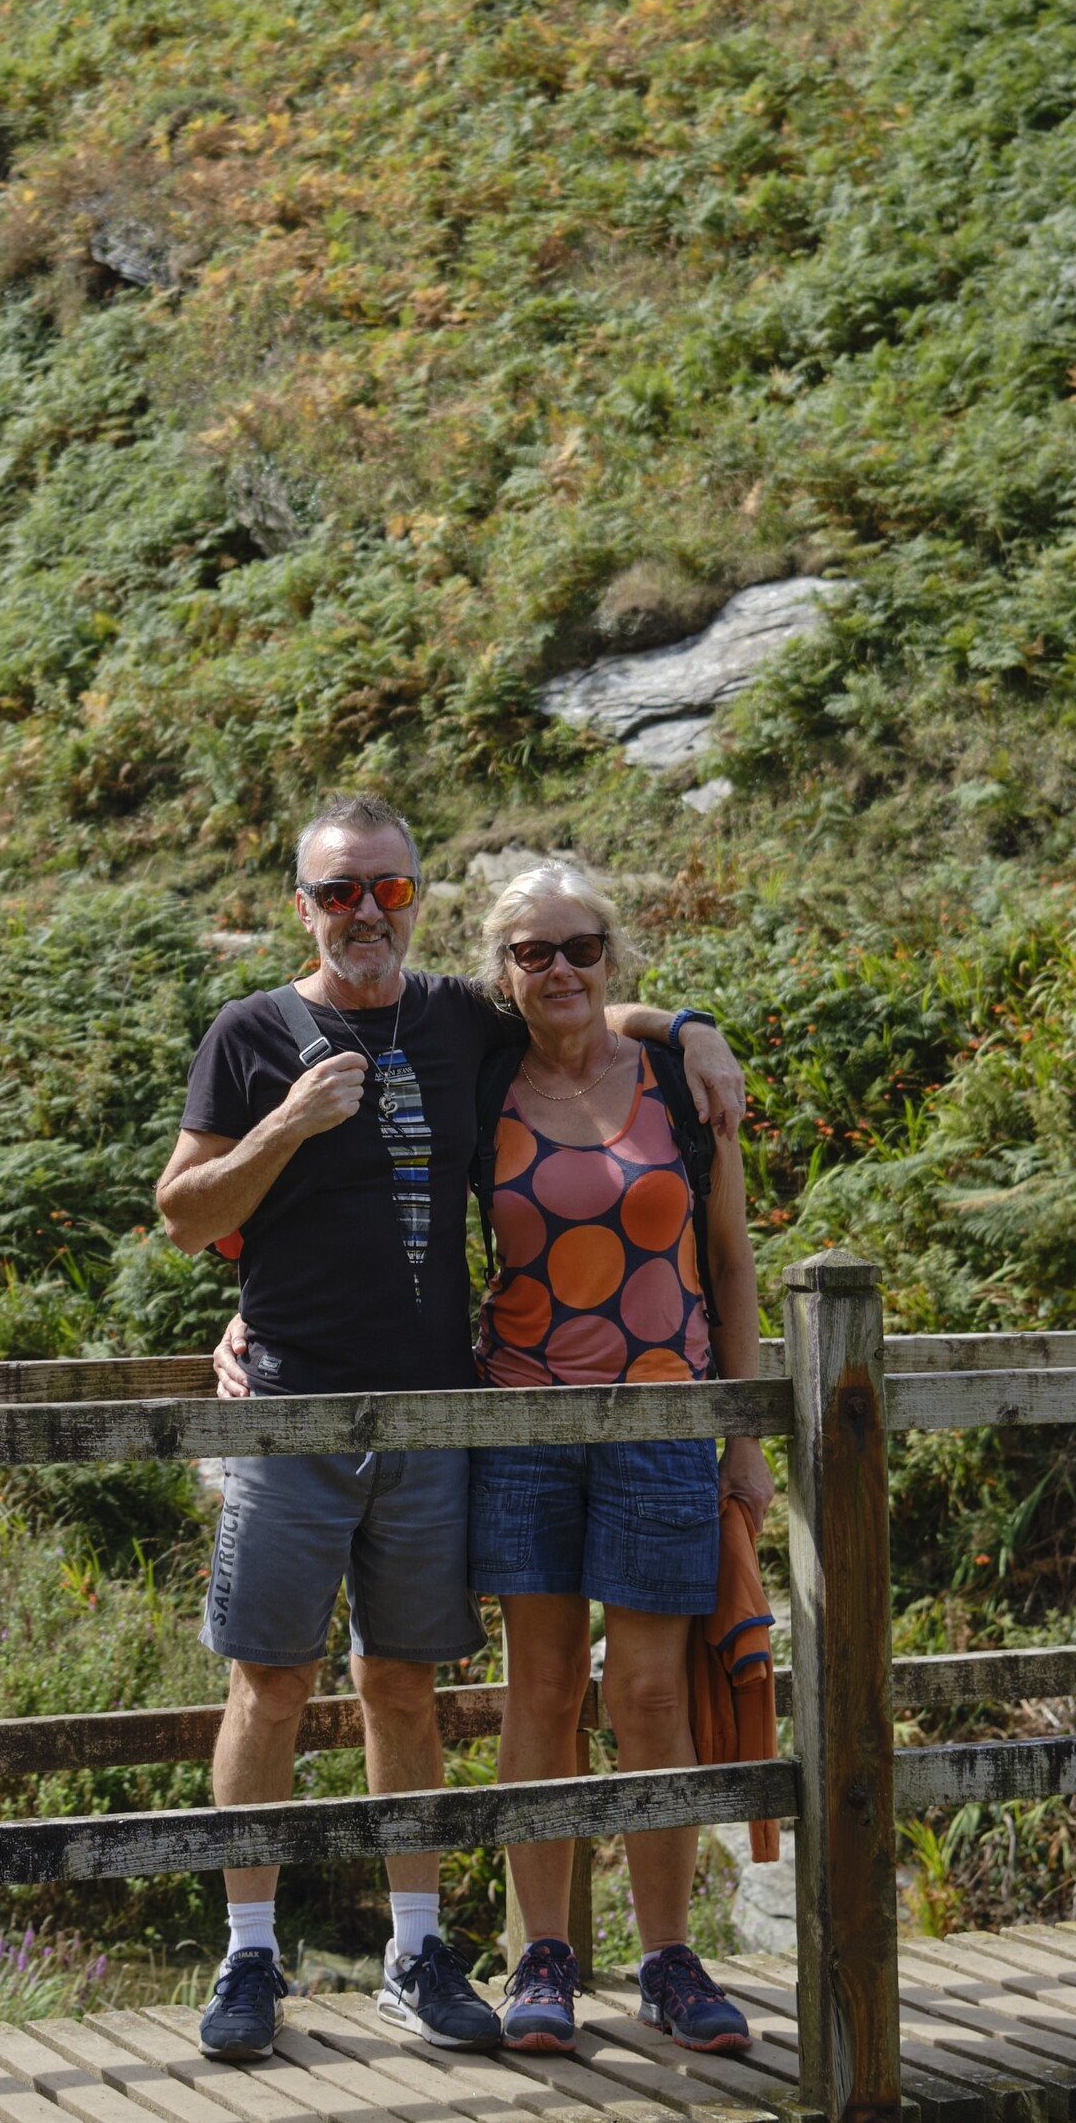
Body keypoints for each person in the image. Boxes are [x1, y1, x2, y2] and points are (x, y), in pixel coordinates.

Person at [155, 794, 746, 2064]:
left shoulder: (457, 1020)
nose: (364, 912)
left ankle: (416, 1951)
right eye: (338, 891)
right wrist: (287, 1124)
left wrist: (690, 1026)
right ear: (302, 905)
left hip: (439, 1408)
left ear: (416, 900)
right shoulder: (248, 1033)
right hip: (295, 1410)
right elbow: (185, 1214)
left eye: (387, 888)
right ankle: (247, 1955)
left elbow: (577, 1005)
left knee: (403, 1683)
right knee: (269, 1682)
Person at [469, 861, 771, 2056]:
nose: (560, 970)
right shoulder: (478, 1083)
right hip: (521, 1424)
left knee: (649, 1694)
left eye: (581, 949)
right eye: (533, 952)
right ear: (501, 972)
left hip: (662, 1421)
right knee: (539, 1691)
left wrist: (742, 1436)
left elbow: (731, 1265)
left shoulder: (678, 1091)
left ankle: (666, 1958)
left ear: (611, 957)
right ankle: (541, 1956)